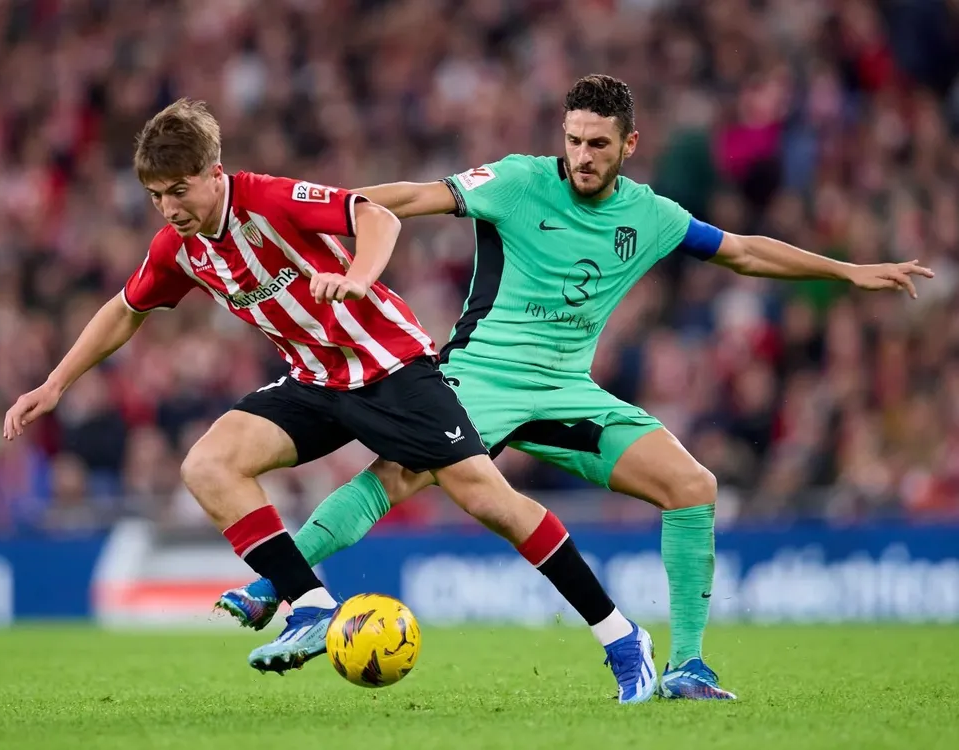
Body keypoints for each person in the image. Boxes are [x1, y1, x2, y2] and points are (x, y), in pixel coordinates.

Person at [221, 74, 934, 700]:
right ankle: (270, 585)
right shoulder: (517, 181)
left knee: (693, 486)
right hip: (480, 376)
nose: (582, 157)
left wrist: (848, 272)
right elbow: (413, 195)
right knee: (398, 474)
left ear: (630, 144)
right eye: (573, 141)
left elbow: (743, 252)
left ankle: (688, 665)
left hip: (566, 391)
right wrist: (316, 213)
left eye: (598, 144)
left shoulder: (649, 216)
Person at [2, 98, 661, 704]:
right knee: (209, 464)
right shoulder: (180, 247)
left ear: (214, 173)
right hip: (314, 381)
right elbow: (125, 310)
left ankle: (622, 638)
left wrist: (356, 277)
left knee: (493, 502)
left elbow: (374, 216)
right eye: (155, 196)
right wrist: (56, 383)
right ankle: (310, 606)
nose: (170, 208)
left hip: (391, 367)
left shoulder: (268, 199)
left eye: (179, 191)